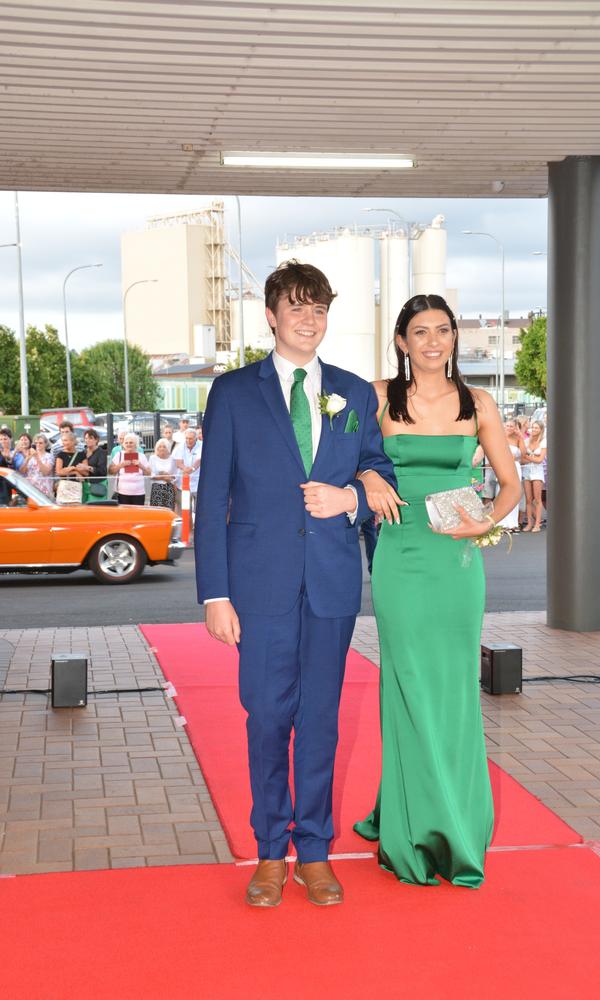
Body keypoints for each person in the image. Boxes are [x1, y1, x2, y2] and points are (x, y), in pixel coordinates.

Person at [194, 259, 395, 908]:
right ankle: (269, 854)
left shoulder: (353, 393)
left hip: (331, 586)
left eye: (319, 309)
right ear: (272, 316)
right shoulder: (232, 392)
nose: (309, 320)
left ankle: (314, 851)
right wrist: (215, 593)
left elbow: (378, 474)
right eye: (297, 308)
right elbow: (211, 497)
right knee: (266, 718)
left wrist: (352, 500)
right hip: (260, 588)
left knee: (321, 723)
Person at [353, 293, 520, 889]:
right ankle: (410, 823)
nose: (432, 341)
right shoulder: (374, 397)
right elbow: (337, 459)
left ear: (454, 338)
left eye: (442, 330)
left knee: (451, 688)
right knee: (407, 683)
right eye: (419, 331)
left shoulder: (478, 402)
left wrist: (486, 522)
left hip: (455, 558)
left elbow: (510, 483)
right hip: (399, 554)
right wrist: (369, 472)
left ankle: (452, 820)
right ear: (401, 341)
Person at [497, 418, 525, 531]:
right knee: (502, 492)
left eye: (511, 426)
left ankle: (512, 523)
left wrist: (521, 436)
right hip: (503, 466)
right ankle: (501, 523)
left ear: (515, 428)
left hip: (515, 467)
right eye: (507, 425)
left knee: (514, 493)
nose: (509, 428)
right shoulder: (500, 437)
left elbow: (523, 453)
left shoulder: (517, 439)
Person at [109, 432, 150, 504]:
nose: (128, 444)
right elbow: (110, 471)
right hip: (122, 492)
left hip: (138, 493)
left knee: (137, 514)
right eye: (126, 442)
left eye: (131, 442)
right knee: (123, 515)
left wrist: (140, 465)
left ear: (135, 444)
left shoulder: (141, 456)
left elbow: (148, 473)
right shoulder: (119, 455)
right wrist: (121, 465)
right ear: (123, 444)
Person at [521, 420, 546, 532]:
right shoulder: (526, 441)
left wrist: (528, 457)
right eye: (533, 427)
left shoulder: (543, 442)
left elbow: (540, 460)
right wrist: (530, 458)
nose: (534, 429)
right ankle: (530, 523)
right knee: (528, 499)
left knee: (537, 499)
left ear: (541, 430)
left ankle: (537, 524)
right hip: (526, 470)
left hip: (537, 472)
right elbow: (522, 458)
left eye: (537, 428)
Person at [174, 427, 202, 514]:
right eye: (186, 438)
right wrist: (185, 468)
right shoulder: (180, 446)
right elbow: (178, 462)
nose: (188, 440)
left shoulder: (202, 445)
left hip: (199, 484)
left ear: (195, 438)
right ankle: (187, 528)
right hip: (183, 485)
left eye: (190, 439)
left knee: (200, 511)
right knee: (185, 512)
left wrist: (192, 468)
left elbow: (199, 461)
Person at [19, 432, 54, 497]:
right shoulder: (30, 455)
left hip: (44, 490)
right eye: (36, 443)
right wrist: (27, 459)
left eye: (40, 443)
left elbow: (45, 472)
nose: (38, 445)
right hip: (31, 490)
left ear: (45, 444)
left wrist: (37, 457)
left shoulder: (49, 456)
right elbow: (22, 471)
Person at [77, 428, 108, 502]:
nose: (87, 440)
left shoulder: (102, 453)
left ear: (96, 440)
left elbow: (103, 471)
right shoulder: (82, 452)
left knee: (95, 508)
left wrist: (87, 468)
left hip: (97, 485)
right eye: (86, 438)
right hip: (84, 485)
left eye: (90, 438)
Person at [149, 438, 177, 510]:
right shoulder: (152, 458)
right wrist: (164, 477)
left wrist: (163, 475)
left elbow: (175, 475)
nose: (162, 448)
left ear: (168, 448)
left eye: (164, 446)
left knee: (169, 510)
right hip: (157, 488)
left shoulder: (172, 459)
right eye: (160, 446)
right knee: (157, 512)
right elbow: (151, 475)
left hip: (169, 487)